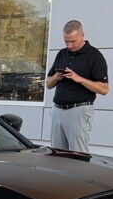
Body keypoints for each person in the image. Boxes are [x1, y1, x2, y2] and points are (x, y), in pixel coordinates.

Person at [45, 20, 109, 153]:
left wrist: (79, 79)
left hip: (79, 110)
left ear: (82, 35)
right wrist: (56, 77)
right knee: (57, 154)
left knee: (78, 154)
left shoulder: (95, 56)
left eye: (73, 41)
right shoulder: (62, 54)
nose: (69, 45)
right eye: (66, 41)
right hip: (57, 110)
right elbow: (48, 84)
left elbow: (104, 89)